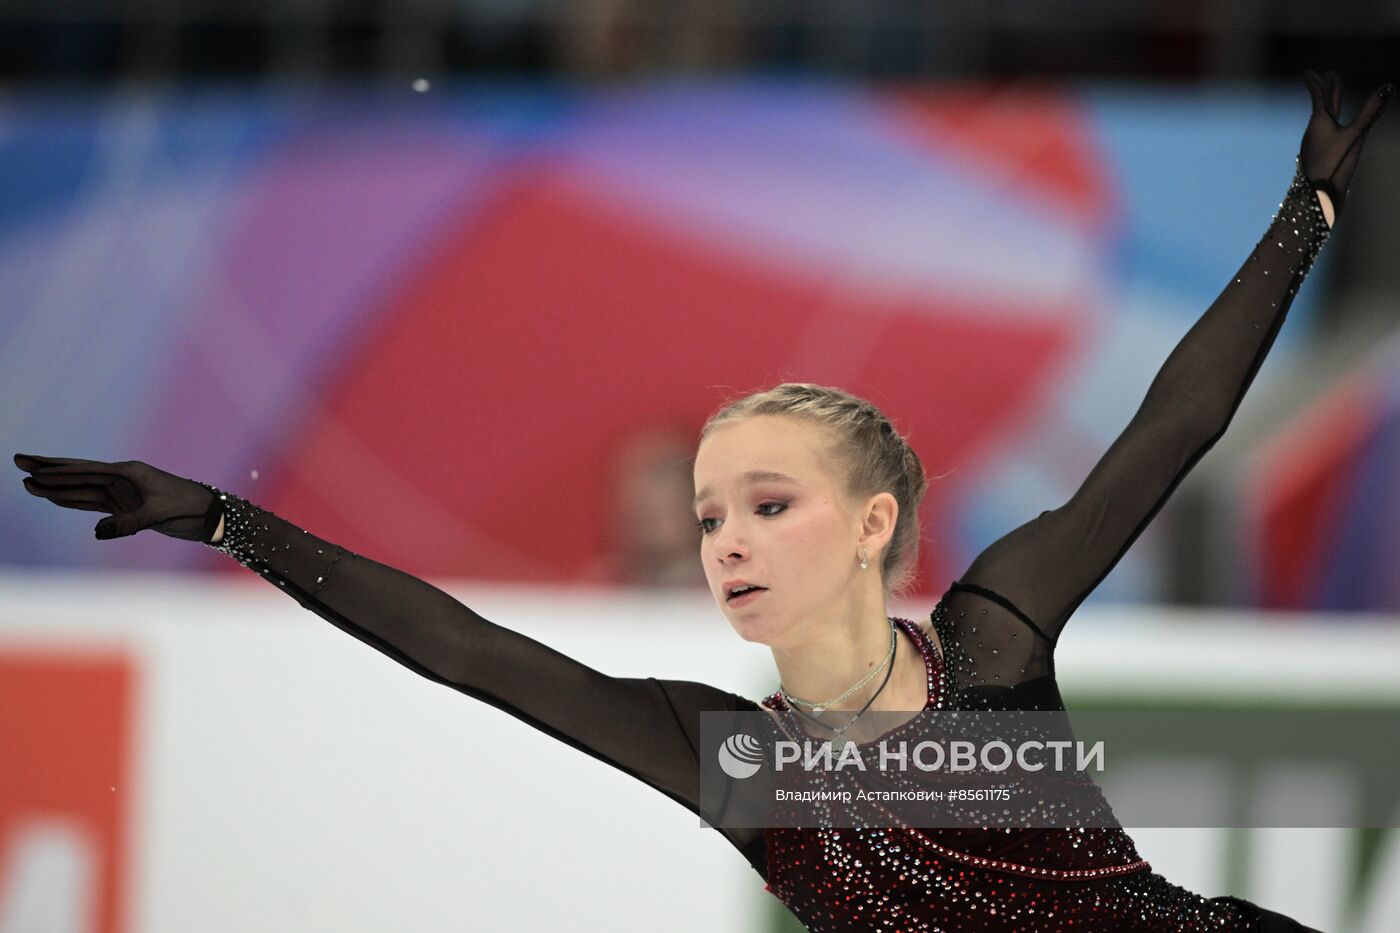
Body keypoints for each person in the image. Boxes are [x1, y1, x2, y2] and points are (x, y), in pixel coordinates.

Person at [15, 69, 1392, 931]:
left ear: (873, 526)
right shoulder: (737, 759)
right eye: (712, 512)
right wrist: (224, 518)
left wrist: (1306, 214)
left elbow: (1175, 424)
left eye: (767, 505)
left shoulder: (996, 635)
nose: (724, 538)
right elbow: (469, 650)